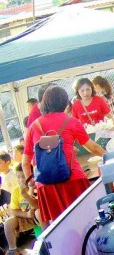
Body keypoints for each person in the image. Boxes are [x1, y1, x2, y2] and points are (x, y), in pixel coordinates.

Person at [22, 86, 107, 227]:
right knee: (86, 222)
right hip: (72, 178)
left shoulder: (33, 126)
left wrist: (32, 184)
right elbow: (93, 147)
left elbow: (25, 162)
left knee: (60, 227)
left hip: (46, 185)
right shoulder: (71, 121)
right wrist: (109, 157)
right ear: (64, 102)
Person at [1, 164, 40, 255]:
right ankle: (13, 250)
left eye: (23, 176)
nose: (21, 179)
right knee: (8, 223)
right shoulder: (16, 190)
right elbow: (13, 211)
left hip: (38, 215)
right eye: (18, 177)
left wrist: (26, 194)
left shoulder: (37, 186)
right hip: (25, 216)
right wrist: (26, 214)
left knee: (38, 212)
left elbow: (38, 205)